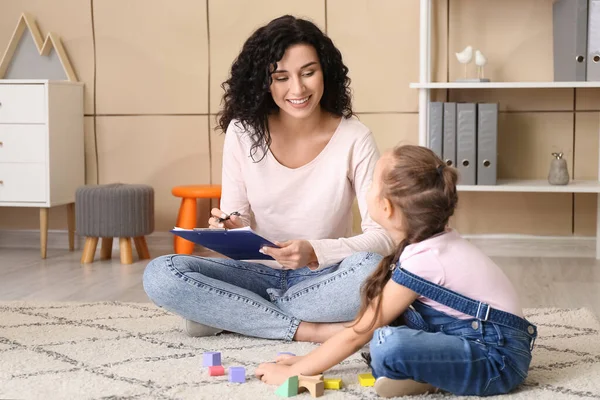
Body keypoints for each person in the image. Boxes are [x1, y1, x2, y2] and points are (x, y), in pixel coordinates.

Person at [142, 15, 394, 343]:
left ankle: (236, 314)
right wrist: (228, 227)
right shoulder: (243, 131)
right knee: (161, 275)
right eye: (281, 77)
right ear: (264, 81)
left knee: (369, 268)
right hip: (256, 273)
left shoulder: (354, 137)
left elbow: (384, 237)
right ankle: (308, 329)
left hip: (325, 277)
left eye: (308, 73)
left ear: (325, 72)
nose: (298, 89)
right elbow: (237, 215)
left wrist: (315, 252)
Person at [255, 145, 538, 397]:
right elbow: (364, 324)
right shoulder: (428, 242)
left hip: (497, 361)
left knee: (386, 343)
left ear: (386, 207)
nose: (366, 191)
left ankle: (436, 378)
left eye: (371, 185)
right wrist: (305, 361)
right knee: (386, 322)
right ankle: (432, 374)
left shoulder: (424, 259)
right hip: (474, 338)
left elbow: (359, 333)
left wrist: (296, 373)